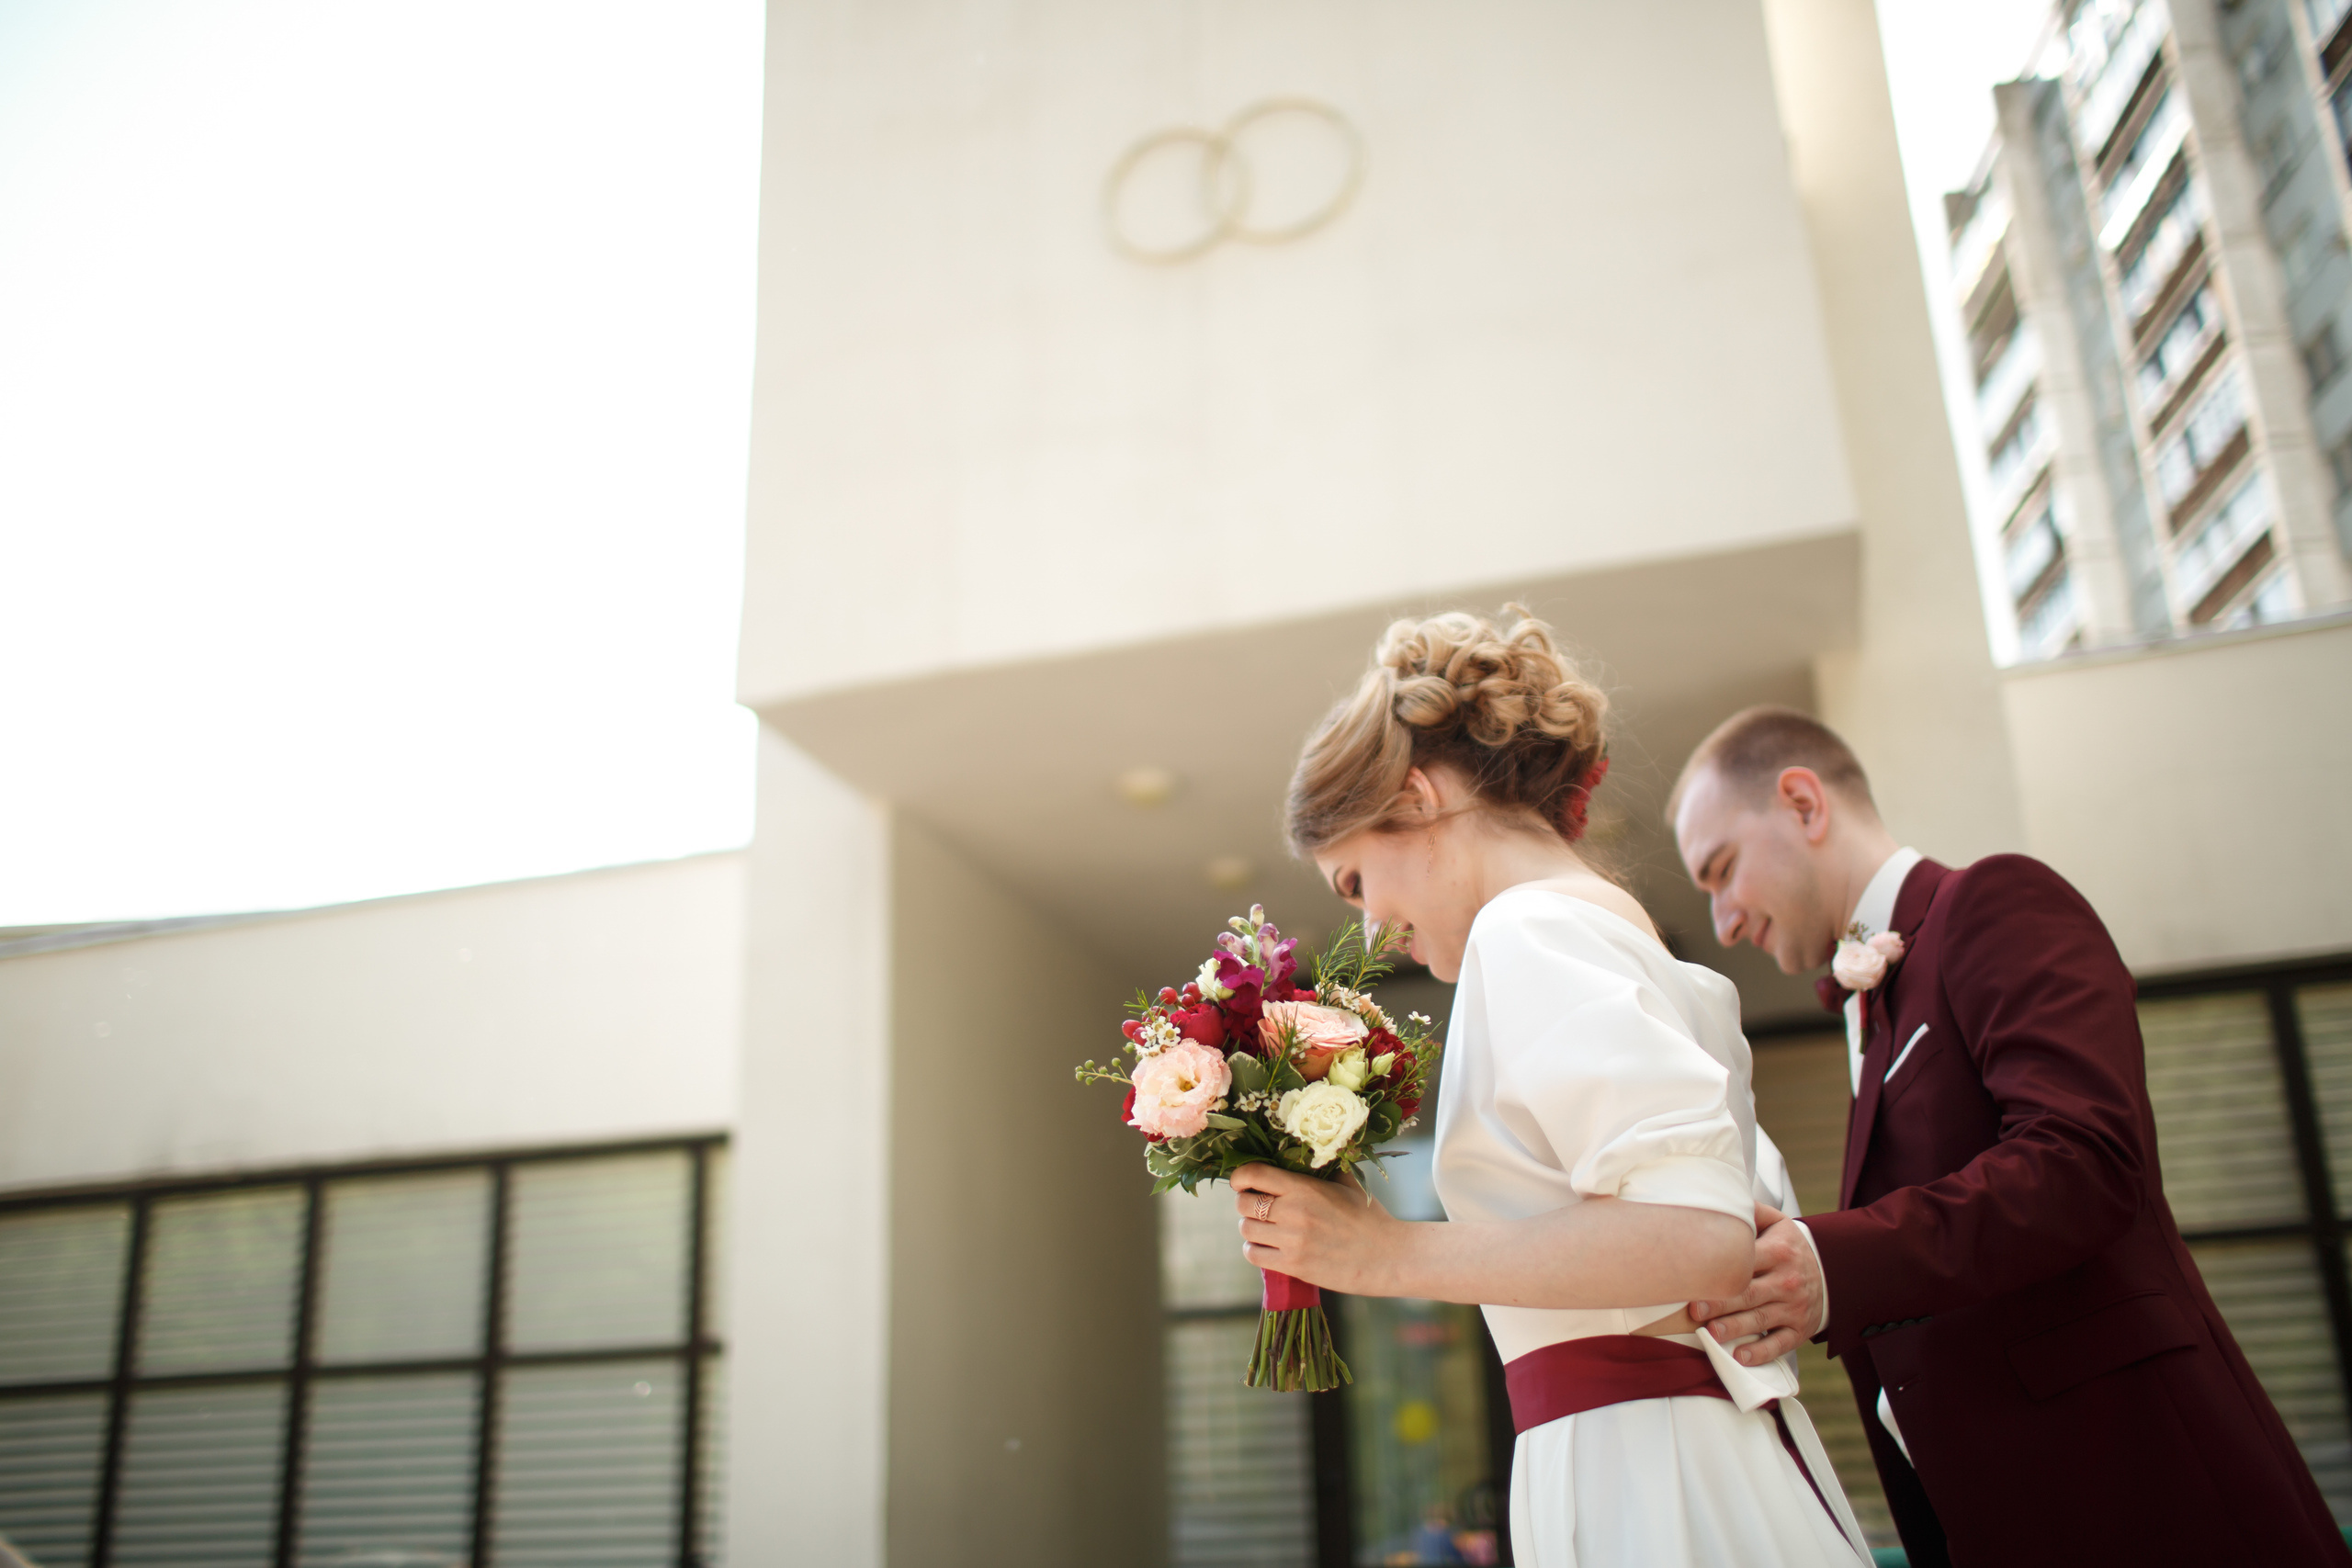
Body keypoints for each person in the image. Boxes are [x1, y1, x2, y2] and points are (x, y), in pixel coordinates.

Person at [1231, 609, 1872, 1568]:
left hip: (1648, 1476)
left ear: (1413, 799)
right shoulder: (1635, 948)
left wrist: (1383, 1255)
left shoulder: (1526, 929)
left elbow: (1698, 1237)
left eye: (1356, 881)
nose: (1369, 928)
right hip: (1687, 1449)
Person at [1669, 706, 2348, 1568]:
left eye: (1721, 870)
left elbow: (2086, 1159)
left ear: (1804, 802)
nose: (1723, 920)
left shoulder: (1994, 899)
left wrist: (1831, 1264)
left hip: (2144, 1497)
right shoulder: (1867, 1010)